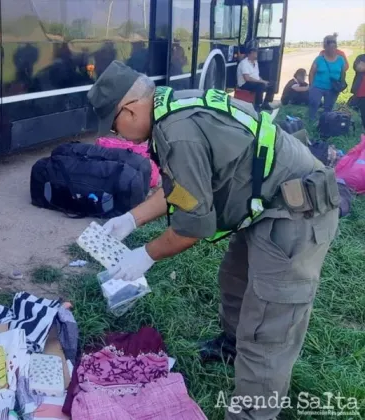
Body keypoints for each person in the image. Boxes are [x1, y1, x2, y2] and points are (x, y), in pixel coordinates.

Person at [87, 60, 340, 420]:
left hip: (296, 212)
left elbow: (192, 227)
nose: (120, 135)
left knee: (268, 325)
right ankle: (232, 347)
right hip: (265, 202)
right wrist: (132, 218)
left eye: (115, 125)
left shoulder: (177, 131)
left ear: (128, 110)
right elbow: (187, 189)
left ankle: (253, 411)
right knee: (234, 280)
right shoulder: (173, 107)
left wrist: (144, 255)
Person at [308, 35, 346, 121]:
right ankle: (311, 120)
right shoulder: (319, 59)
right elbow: (311, 73)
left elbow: (343, 73)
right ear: (325, 47)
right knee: (314, 103)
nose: (332, 50)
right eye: (329, 47)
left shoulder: (340, 60)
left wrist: (341, 83)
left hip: (333, 88)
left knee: (328, 107)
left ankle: (325, 122)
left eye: (334, 47)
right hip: (318, 86)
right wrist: (311, 86)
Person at [236, 45, 275, 111]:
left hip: (254, 81)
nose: (256, 54)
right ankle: (257, 105)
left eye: (256, 53)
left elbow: (256, 75)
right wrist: (262, 82)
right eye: (254, 53)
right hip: (244, 83)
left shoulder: (255, 62)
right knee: (261, 85)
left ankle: (266, 103)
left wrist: (263, 80)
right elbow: (247, 78)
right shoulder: (244, 63)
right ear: (250, 54)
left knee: (271, 84)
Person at [350, 52, 365, 131]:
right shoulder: (360, 57)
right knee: (363, 110)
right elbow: (358, 68)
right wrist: (361, 66)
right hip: (361, 91)